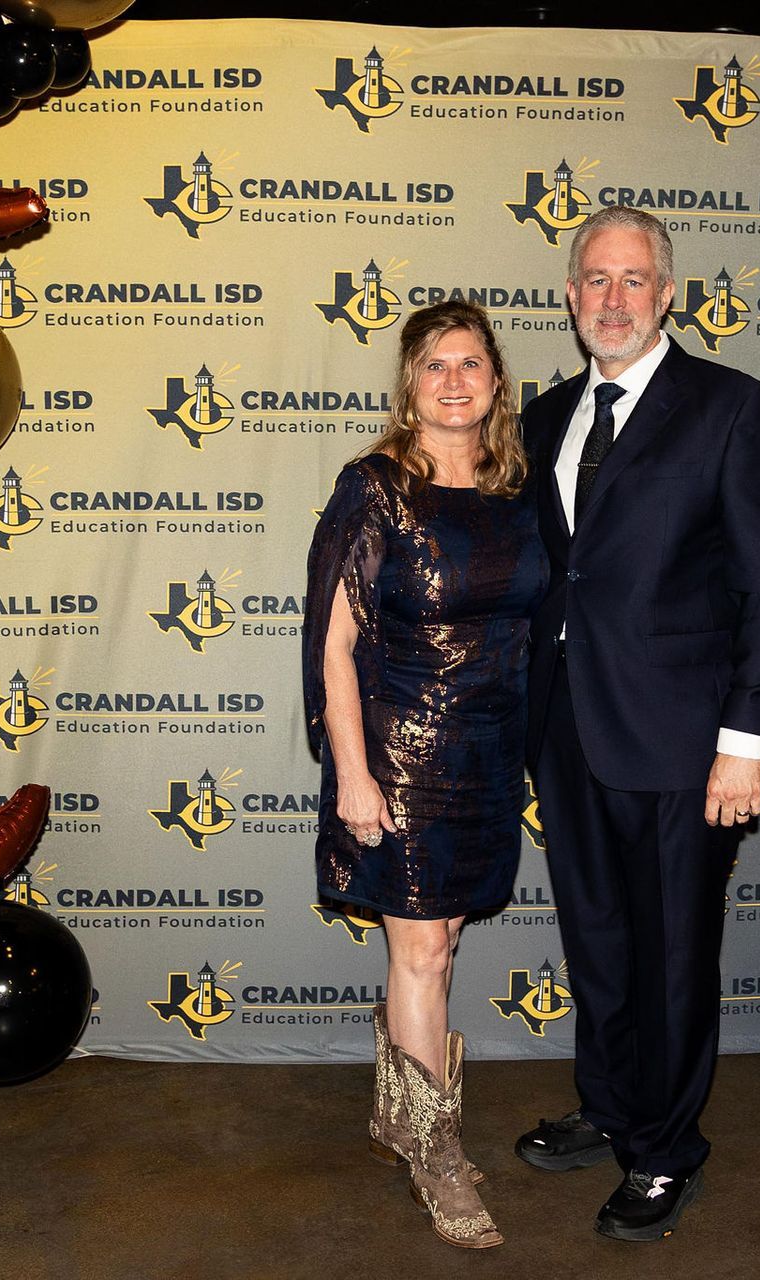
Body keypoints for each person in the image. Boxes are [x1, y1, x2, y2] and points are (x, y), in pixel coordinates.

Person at [515, 206, 760, 1241]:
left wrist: (746, 738)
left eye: (633, 279)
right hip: (568, 732)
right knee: (596, 940)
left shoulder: (733, 408)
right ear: (569, 295)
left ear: (668, 293)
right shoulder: (543, 415)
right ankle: (611, 1103)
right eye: (594, 279)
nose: (612, 298)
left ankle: (667, 1148)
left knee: (674, 951)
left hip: (687, 745)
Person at [303, 300, 547, 1249]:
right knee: (424, 952)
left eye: (470, 363)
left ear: (496, 382)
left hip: (490, 750)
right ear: (411, 386)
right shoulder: (373, 487)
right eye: (435, 365)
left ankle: (399, 1118)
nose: (454, 380)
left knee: (442, 936)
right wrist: (353, 774)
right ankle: (437, 1154)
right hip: (400, 748)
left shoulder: (518, 491)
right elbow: (333, 643)